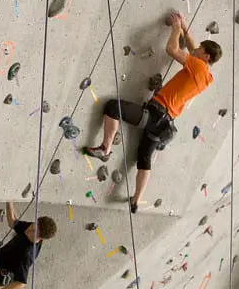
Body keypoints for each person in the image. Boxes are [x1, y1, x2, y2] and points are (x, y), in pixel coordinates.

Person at [82, 11, 220, 213]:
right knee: (144, 159)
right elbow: (192, 47)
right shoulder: (206, 76)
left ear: (205, 56)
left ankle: (105, 148)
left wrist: (175, 29)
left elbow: (172, 49)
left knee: (113, 107)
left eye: (200, 49)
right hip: (165, 124)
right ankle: (136, 200)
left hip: (156, 114)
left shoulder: (197, 65)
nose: (195, 48)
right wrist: (185, 29)